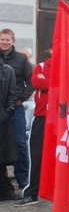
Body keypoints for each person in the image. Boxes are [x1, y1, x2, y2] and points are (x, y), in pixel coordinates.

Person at [0, 28, 34, 189]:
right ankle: (4, 182)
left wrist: (22, 98)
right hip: (1, 108)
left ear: (13, 41)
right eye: (2, 39)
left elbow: (32, 81)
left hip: (16, 107)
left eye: (7, 40)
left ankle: (23, 180)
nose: (4, 42)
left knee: (20, 143)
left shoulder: (21, 59)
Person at [17, 52, 50, 206]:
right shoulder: (41, 66)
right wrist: (56, 82)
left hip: (64, 117)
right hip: (42, 115)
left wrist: (49, 82)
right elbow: (37, 83)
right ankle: (32, 191)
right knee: (36, 153)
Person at [0, 61, 19, 201]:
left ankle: (5, 189)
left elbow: (13, 93)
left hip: (2, 118)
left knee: (2, 156)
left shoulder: (7, 70)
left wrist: (7, 112)